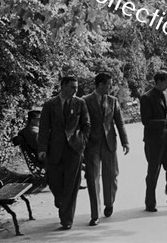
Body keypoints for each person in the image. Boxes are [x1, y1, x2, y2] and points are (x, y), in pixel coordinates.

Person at [37, 76, 91, 230]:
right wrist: (41, 149)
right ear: (63, 86)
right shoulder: (50, 105)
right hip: (54, 150)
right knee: (53, 181)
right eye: (72, 87)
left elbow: (86, 125)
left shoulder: (80, 103)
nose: (75, 90)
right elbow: (43, 128)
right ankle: (60, 199)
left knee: (71, 186)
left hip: (74, 150)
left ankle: (66, 219)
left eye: (76, 87)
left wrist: (83, 142)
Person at [83, 72, 129, 226]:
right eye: (109, 84)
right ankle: (95, 214)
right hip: (92, 145)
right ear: (100, 84)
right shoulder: (85, 101)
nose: (111, 87)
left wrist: (125, 142)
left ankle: (109, 203)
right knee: (93, 178)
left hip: (109, 143)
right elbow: (81, 124)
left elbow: (120, 123)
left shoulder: (113, 101)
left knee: (111, 176)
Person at [140, 70, 167, 212]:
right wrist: (164, 121)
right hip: (153, 142)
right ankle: (150, 203)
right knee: (153, 173)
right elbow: (146, 121)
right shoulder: (146, 97)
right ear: (158, 82)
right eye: (166, 82)